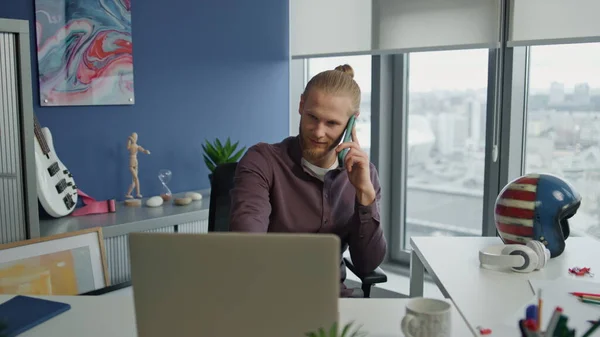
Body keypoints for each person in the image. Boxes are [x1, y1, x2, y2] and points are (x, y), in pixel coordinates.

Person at [229, 64, 387, 297]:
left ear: (351, 123)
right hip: (267, 296)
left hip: (332, 301)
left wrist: (365, 195)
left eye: (332, 123)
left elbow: (367, 264)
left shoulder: (365, 174)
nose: (318, 132)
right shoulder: (262, 161)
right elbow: (247, 238)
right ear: (301, 105)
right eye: (312, 117)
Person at [125, 132, 151, 199]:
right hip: (131, 163)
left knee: (134, 181)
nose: (135, 139)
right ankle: (138, 193)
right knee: (136, 178)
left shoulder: (137, 146)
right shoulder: (131, 146)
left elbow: (143, 150)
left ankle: (128, 194)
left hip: (136, 163)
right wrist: (129, 139)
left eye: (136, 138)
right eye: (134, 137)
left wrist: (146, 151)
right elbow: (127, 147)